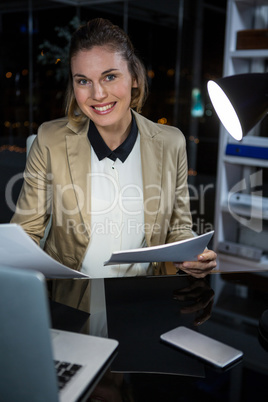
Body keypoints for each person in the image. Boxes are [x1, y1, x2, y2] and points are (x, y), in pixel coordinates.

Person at [11, 18, 217, 278]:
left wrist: (193, 256)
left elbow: (179, 228)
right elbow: (25, 233)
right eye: (83, 81)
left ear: (134, 77)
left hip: (143, 301)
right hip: (72, 304)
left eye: (109, 76)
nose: (97, 94)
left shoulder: (171, 142)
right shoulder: (49, 139)